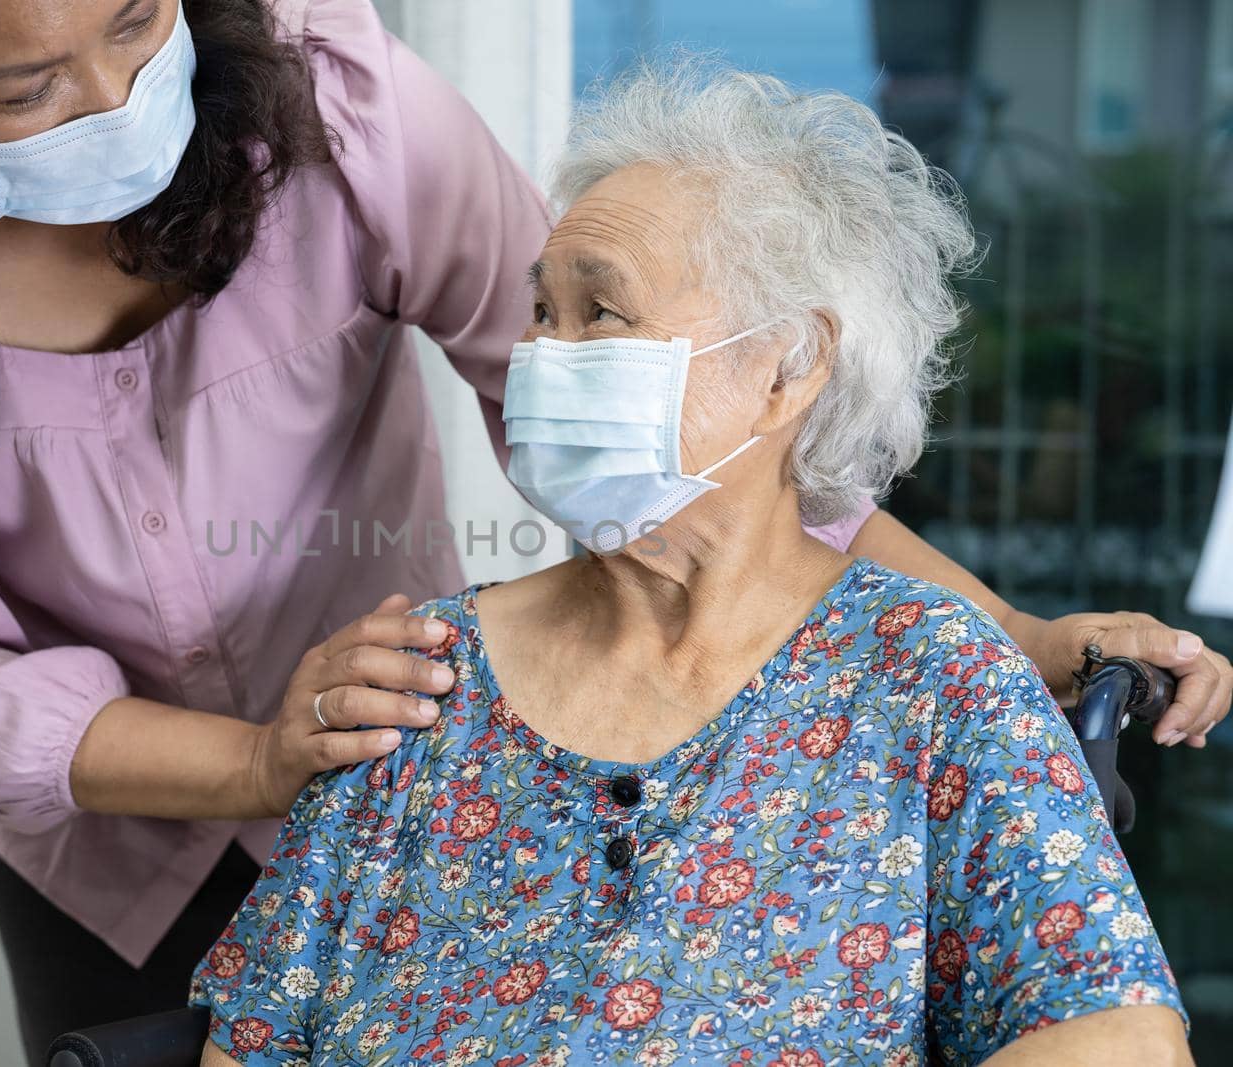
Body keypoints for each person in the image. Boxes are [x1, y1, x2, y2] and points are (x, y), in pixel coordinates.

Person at [0, 0, 1224, 1060]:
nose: (107, 97)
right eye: (23, 86)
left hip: (360, 718)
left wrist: (1013, 635)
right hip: (128, 821)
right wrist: (269, 756)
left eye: (139, 25)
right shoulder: (428, 699)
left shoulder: (331, 111)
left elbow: (727, 459)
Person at [191, 63, 1194, 1066]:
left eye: (600, 312)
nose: (541, 353)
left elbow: (1112, 1038)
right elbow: (252, 1041)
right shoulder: (419, 675)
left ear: (786, 369)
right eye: (543, 311)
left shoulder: (932, 680)